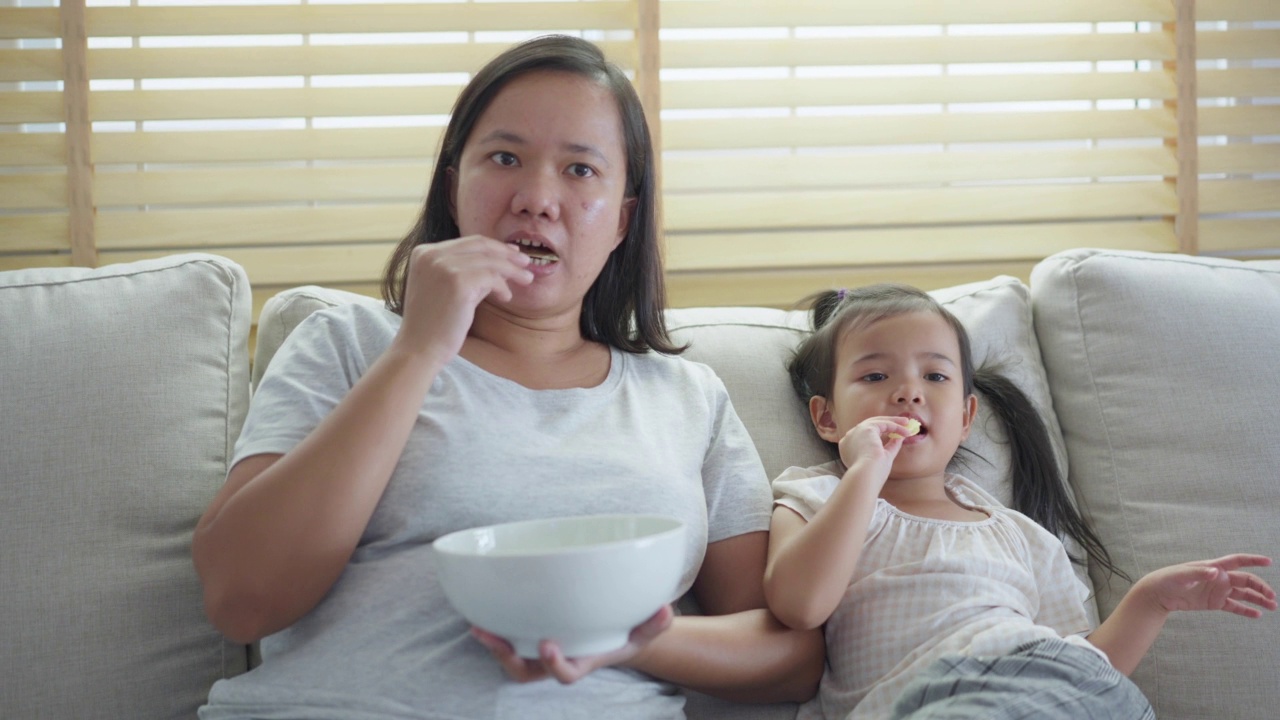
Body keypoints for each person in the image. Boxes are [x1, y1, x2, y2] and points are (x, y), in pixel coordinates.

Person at [192, 35, 822, 720]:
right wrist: (417, 353)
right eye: (504, 158)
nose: (537, 198)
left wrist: (624, 643)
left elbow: (788, 658)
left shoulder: (687, 399)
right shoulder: (349, 345)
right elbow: (241, 599)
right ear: (452, 182)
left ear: (622, 218)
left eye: (580, 170)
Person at [764, 283, 1276, 720]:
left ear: (966, 418)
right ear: (827, 418)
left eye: (935, 376)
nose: (908, 393)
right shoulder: (818, 495)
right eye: (875, 377)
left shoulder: (1018, 532)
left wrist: (1150, 601)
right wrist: (865, 472)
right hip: (933, 701)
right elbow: (799, 605)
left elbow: (1083, 671)